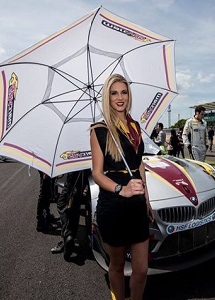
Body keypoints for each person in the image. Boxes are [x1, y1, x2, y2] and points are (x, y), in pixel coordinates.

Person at [90, 74, 154, 300]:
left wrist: (146, 199)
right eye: (114, 93)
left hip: (137, 206)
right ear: (107, 97)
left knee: (142, 269)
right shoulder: (99, 129)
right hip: (113, 205)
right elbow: (97, 173)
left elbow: (139, 165)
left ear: (129, 95)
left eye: (124, 92)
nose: (120, 97)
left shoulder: (135, 126)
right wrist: (121, 189)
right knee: (116, 266)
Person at [51, 169, 91, 260]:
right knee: (74, 208)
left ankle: (68, 235)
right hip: (83, 180)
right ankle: (69, 236)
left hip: (74, 179)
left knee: (62, 205)